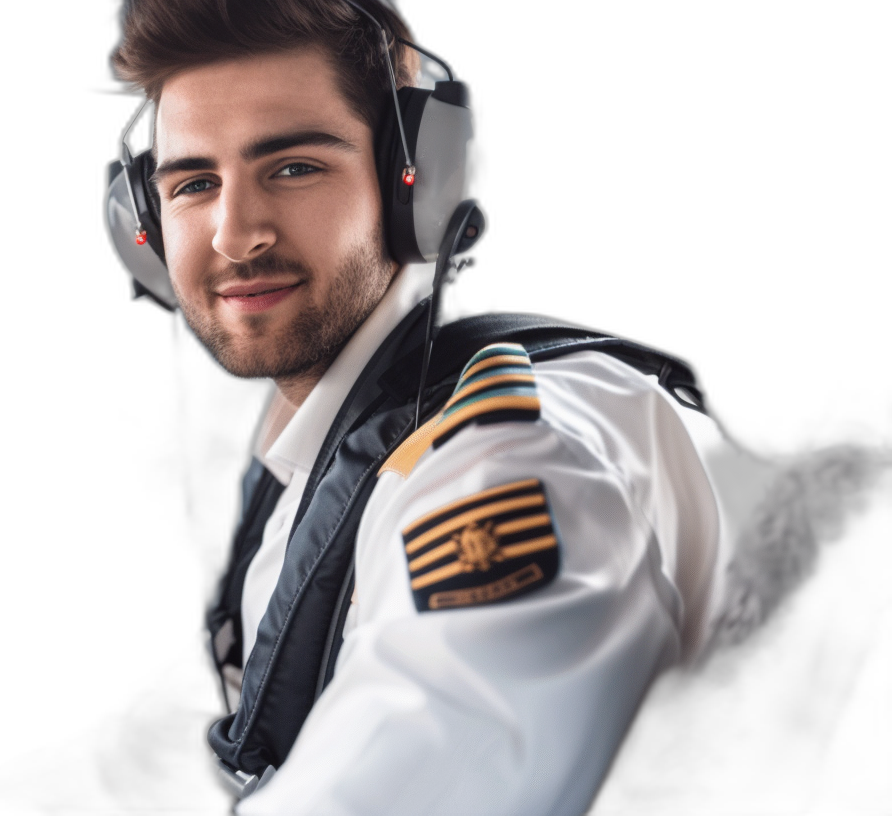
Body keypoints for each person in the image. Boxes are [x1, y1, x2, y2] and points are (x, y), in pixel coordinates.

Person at [103, 0, 754, 813]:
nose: (235, 235)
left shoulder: (515, 454)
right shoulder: (327, 457)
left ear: (420, 184)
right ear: (142, 226)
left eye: (294, 167)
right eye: (195, 183)